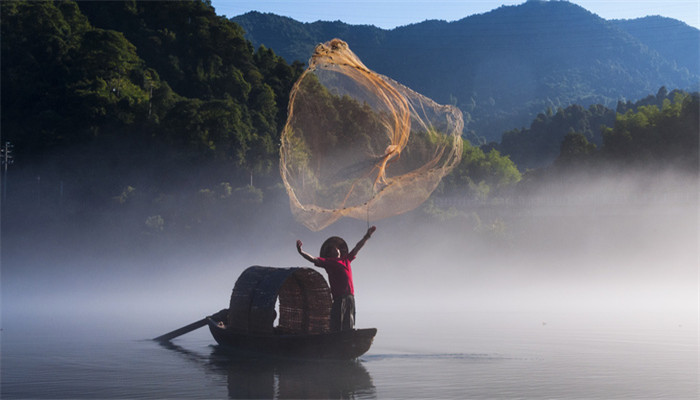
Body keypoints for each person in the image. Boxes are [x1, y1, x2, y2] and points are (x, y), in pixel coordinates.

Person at [296, 226, 376, 332]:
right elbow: (313, 259)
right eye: (332, 249)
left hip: (350, 297)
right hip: (339, 298)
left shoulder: (346, 259)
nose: (335, 249)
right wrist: (301, 252)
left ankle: (347, 340)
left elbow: (357, 247)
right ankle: (334, 340)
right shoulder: (328, 262)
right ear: (329, 253)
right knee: (337, 324)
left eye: (336, 248)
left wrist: (366, 236)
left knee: (349, 323)